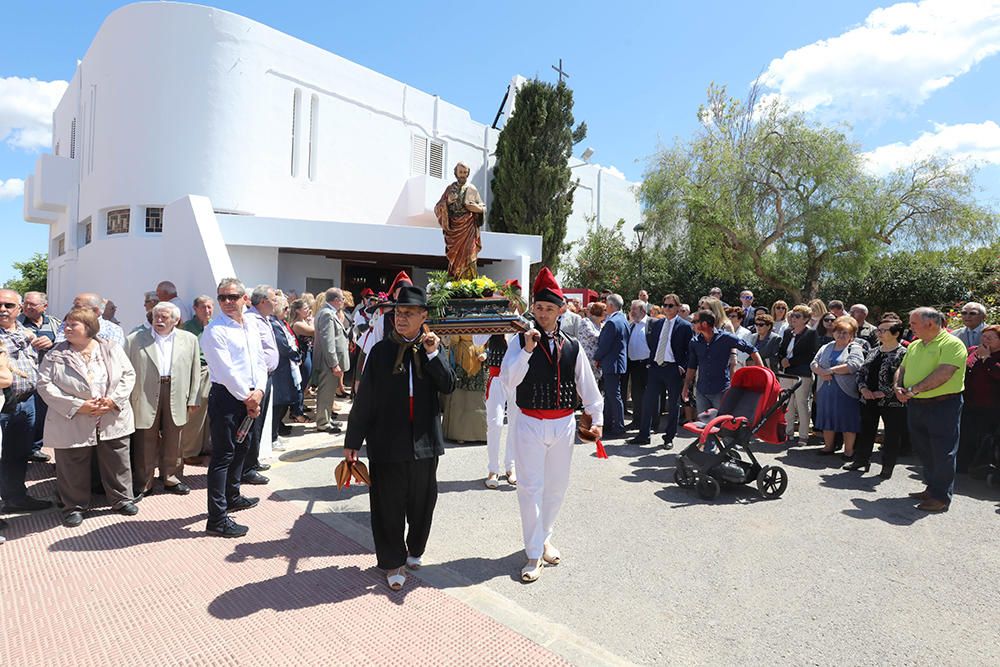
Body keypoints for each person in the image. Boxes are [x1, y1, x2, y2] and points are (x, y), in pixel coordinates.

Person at [344, 285, 456, 590]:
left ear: (423, 316)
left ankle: (415, 548)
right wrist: (353, 442)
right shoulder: (380, 351)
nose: (400, 318)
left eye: (408, 313)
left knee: (422, 501)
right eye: (397, 313)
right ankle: (392, 561)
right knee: (388, 504)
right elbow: (364, 400)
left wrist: (433, 354)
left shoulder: (432, 348)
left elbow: (447, 385)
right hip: (387, 441)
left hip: (424, 442)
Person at [500, 268, 603, 583]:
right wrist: (527, 353)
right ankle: (533, 553)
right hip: (530, 423)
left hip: (563, 425)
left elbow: (586, 384)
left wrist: (596, 418)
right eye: (539, 308)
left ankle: (543, 537)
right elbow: (508, 382)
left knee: (556, 487)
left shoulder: (572, 345)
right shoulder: (519, 342)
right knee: (530, 488)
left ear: (561, 310)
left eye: (549, 308)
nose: (542, 314)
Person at [37, 307, 139, 527]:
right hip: (72, 417)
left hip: (110, 414)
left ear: (89, 327)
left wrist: (113, 400)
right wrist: (78, 406)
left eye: (73, 324)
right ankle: (73, 506)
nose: (67, 328)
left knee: (117, 458)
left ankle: (122, 499)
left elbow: (128, 375)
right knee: (72, 462)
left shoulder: (111, 348)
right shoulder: (56, 353)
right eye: (66, 324)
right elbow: (45, 385)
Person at [201, 278, 268, 537]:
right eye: (222, 298)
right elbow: (225, 371)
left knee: (242, 449)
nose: (227, 302)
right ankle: (217, 519)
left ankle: (232, 495)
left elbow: (260, 361)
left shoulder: (250, 324)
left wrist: (259, 392)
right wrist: (248, 398)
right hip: (228, 399)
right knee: (223, 456)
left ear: (244, 299)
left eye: (233, 297)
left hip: (250, 396)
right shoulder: (215, 330)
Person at [894, 307, 968, 512]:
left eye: (913, 323)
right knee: (924, 449)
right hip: (917, 404)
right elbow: (903, 368)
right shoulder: (916, 345)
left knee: (943, 451)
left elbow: (944, 373)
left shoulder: (952, 344)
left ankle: (941, 497)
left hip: (942, 404)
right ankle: (932, 488)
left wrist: (912, 390)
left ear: (931, 324)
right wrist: (897, 387)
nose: (910, 327)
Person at [125, 302, 201, 497]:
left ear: (176, 320)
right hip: (144, 393)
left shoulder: (190, 340)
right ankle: (144, 483)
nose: (158, 320)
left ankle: (172, 478)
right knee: (144, 440)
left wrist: (193, 398)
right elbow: (124, 370)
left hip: (176, 391)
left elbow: (195, 371)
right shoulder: (134, 340)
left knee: (175, 438)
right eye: (156, 316)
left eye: (164, 317)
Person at [0, 289, 52, 513]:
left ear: (19, 309)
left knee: (18, 454)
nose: (2, 309)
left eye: (9, 305)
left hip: (27, 401)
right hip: (3, 402)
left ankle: (16, 497)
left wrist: (46, 344)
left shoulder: (25, 332)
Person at [629, 293, 692, 449]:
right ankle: (644, 435)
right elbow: (653, 345)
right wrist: (651, 363)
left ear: (678, 307)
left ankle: (669, 437)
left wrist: (681, 367)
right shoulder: (657, 324)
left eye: (671, 305)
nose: (667, 308)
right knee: (648, 401)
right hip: (656, 368)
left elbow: (689, 351)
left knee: (673, 405)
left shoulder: (684, 326)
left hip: (672, 369)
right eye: (665, 305)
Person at [850, 318, 907, 477]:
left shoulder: (904, 353)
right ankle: (861, 459)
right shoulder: (874, 350)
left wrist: (886, 392)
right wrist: (863, 388)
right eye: (878, 330)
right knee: (866, 430)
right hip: (868, 398)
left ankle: (887, 467)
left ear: (896, 334)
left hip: (892, 401)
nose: (879, 333)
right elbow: (862, 372)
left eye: (883, 330)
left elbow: (905, 378)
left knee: (892, 435)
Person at [682, 310, 762, 414]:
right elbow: (692, 366)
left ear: (704, 324)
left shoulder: (726, 338)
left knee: (723, 425)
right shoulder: (694, 342)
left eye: (695, 321)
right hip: (702, 390)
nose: (692, 324)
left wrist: (762, 372)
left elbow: (751, 349)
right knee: (704, 424)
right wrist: (686, 387)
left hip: (721, 391)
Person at [811, 316, 865, 459]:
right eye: (838, 332)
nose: (841, 335)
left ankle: (848, 451)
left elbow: (854, 365)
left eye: (845, 332)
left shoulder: (854, 348)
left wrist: (830, 371)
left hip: (845, 392)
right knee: (827, 418)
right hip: (825, 390)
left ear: (851, 336)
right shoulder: (826, 346)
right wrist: (821, 372)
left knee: (848, 421)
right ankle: (828, 447)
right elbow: (814, 363)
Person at [242, 287, 280, 486]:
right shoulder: (251, 320)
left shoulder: (264, 319)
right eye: (274, 299)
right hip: (257, 379)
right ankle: (247, 469)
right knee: (253, 424)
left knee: (260, 423)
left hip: (266, 377)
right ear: (264, 301)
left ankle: (252, 462)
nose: (277, 303)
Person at [20, 291, 60, 462]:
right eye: (26, 303)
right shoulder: (17, 323)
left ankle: (34, 448)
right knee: (24, 415)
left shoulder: (56, 324)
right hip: (24, 378)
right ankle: (19, 449)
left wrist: (52, 344)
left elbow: (65, 344)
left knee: (42, 414)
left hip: (47, 377)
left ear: (45, 306)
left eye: (33, 304)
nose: (28, 307)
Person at [956, 324, 1000, 474]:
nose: (985, 339)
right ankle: (962, 466)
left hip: (991, 404)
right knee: (966, 434)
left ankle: (982, 468)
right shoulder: (973, 350)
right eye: (984, 336)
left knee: (986, 438)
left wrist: (987, 359)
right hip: (969, 401)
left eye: (990, 337)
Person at [434, 162, 485, 279]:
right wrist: (447, 202)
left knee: (469, 255)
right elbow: (437, 208)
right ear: (456, 173)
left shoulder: (472, 189)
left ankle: (470, 281)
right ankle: (456, 280)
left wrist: (478, 209)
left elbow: (482, 206)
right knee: (455, 259)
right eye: (460, 172)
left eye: (465, 173)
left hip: (468, 227)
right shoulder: (450, 189)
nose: (463, 175)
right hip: (454, 230)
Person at [778, 304, 818, 445]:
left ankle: (803, 435)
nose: (793, 318)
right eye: (792, 315)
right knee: (787, 403)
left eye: (797, 316)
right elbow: (782, 349)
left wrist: (791, 362)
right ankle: (788, 432)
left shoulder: (811, 333)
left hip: (802, 373)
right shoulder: (788, 332)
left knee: (801, 403)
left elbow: (811, 354)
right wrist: (782, 359)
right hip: (786, 372)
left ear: (806, 319)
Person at [180, 296, 214, 463]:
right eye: (203, 307)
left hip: (215, 371)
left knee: (210, 412)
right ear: (195, 309)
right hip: (199, 370)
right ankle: (188, 451)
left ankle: (205, 447)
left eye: (209, 307)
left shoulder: (215, 325)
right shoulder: (188, 328)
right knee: (196, 411)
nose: (207, 311)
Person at [313, 288, 351, 434]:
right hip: (328, 362)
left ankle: (326, 418)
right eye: (342, 299)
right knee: (326, 392)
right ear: (335, 300)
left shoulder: (327, 313)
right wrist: (334, 363)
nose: (343, 302)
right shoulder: (327, 314)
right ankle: (323, 423)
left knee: (329, 392)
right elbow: (328, 341)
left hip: (330, 361)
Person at [481, 333, 516, 488]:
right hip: (496, 377)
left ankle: (511, 466)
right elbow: (477, 340)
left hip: (517, 378)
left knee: (516, 423)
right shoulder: (495, 317)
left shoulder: (526, 320)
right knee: (495, 423)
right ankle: (493, 469)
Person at [269, 296, 301, 449]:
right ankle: (272, 437)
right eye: (285, 308)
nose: (288, 311)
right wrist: (295, 355)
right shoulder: (274, 324)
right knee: (278, 404)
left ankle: (275, 434)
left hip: (286, 368)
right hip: (280, 369)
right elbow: (282, 346)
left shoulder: (280, 323)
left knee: (282, 403)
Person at [594, 293, 628, 438]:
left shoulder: (613, 322)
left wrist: (596, 357)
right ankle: (609, 424)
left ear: (611, 306)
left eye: (606, 304)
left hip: (612, 363)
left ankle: (618, 427)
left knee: (613, 396)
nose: (605, 307)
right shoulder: (622, 319)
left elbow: (605, 345)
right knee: (610, 396)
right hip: (615, 363)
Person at [625, 300, 651, 431]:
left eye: (634, 309)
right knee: (636, 395)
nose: (632, 312)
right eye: (631, 309)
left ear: (643, 311)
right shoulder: (632, 325)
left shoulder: (651, 324)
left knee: (649, 396)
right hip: (634, 365)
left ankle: (650, 423)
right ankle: (637, 421)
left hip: (647, 365)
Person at [288, 298, 314, 421]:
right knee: (301, 383)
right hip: (303, 355)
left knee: (304, 383)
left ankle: (299, 406)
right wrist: (313, 322)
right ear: (298, 311)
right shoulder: (298, 324)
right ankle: (296, 411)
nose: (308, 310)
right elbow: (314, 332)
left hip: (307, 353)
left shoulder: (304, 321)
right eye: (305, 308)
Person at [578, 301, 605, 381]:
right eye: (605, 310)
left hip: (598, 361)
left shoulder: (603, 324)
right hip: (587, 360)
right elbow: (593, 336)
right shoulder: (585, 322)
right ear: (599, 311)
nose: (608, 312)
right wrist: (607, 337)